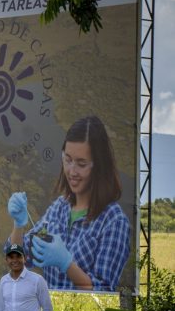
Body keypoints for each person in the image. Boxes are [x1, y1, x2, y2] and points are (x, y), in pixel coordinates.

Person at [7, 116, 131, 291]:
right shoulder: (59, 208)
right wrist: (18, 225)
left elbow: (103, 294)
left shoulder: (113, 221)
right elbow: (19, 259)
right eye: (68, 160)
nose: (72, 171)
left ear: (99, 166)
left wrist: (67, 264)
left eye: (81, 164)